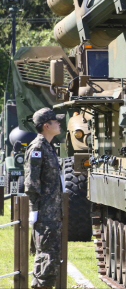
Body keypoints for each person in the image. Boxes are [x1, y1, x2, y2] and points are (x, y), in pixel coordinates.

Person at [24, 108, 65, 289]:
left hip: (53, 211)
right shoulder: (37, 148)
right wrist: (34, 210)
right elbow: (32, 184)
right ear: (46, 125)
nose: (59, 123)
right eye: (56, 121)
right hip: (45, 213)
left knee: (52, 257)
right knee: (47, 257)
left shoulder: (49, 147)